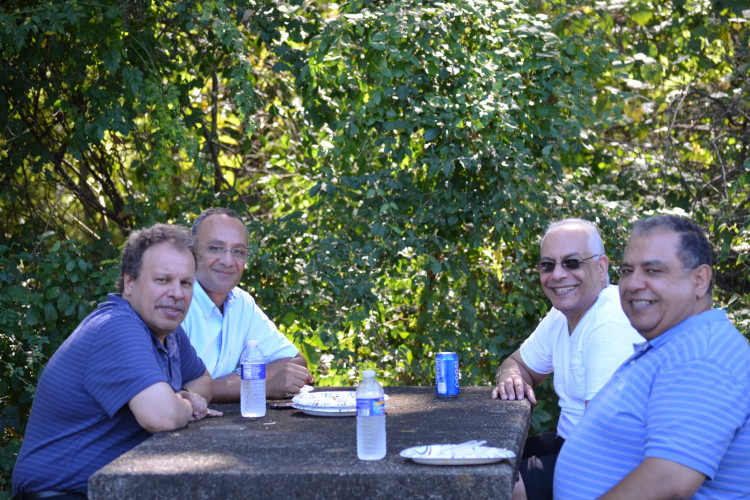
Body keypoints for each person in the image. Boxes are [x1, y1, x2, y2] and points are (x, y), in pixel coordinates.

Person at [12, 224, 220, 499]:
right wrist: (185, 403)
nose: (177, 293)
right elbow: (162, 417)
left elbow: (203, 380)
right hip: (59, 492)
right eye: (162, 280)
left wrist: (187, 394)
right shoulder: (117, 326)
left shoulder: (168, 333)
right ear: (129, 282)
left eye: (185, 283)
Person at [555, 215, 750, 499]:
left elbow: (669, 481)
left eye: (653, 271)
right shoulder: (675, 345)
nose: (633, 283)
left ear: (699, 280)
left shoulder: (702, 357)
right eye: (627, 271)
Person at [491, 218, 642, 500]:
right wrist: (510, 378)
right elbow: (517, 364)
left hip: (608, 467)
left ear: (602, 267)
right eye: (548, 265)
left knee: (491, 486)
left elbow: (605, 441)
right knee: (482, 460)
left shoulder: (611, 321)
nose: (558, 275)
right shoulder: (562, 316)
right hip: (572, 446)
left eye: (572, 263)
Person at [182, 207, 313, 402]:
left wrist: (238, 378)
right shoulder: (176, 301)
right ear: (191, 252)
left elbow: (295, 362)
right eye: (215, 248)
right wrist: (260, 385)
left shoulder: (241, 303)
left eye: (238, 251)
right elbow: (172, 390)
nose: (228, 261)